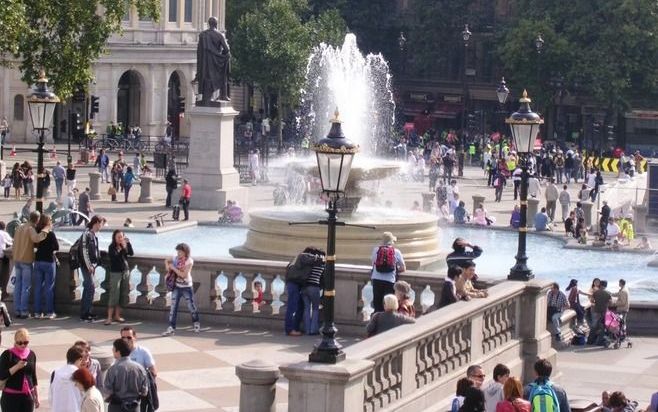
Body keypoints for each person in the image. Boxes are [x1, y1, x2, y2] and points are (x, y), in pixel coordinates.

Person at [12, 211, 47, 318]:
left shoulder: (20, 227)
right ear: (37, 220)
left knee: (17, 286)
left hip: (16, 260)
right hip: (26, 261)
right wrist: (46, 230)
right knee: (25, 287)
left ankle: (17, 310)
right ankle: (24, 311)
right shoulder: (30, 229)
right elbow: (36, 238)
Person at [162, 243, 201, 335]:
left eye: (180, 251)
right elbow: (168, 269)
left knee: (191, 306)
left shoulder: (189, 261)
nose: (178, 253)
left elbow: (183, 275)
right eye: (177, 251)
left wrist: (173, 268)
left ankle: (196, 323)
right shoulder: (175, 259)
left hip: (187, 287)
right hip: (176, 286)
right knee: (173, 307)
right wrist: (166, 263)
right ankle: (171, 327)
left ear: (185, 252)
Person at [284, 247, 324, 336]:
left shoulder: (297, 258)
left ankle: (295, 328)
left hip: (296, 284)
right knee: (292, 307)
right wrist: (321, 259)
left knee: (300, 307)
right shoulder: (303, 256)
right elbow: (313, 261)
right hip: (294, 283)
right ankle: (289, 329)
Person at [0, 328, 40, 411]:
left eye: (26, 343)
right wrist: (17, 367)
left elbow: (33, 377)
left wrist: (36, 396)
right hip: (10, 398)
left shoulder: (31, 354)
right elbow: (2, 376)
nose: (23, 345)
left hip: (27, 397)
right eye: (20, 342)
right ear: (15, 341)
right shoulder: (7, 354)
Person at [120, 327, 158, 412]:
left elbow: (154, 372)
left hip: (141, 393)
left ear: (135, 337)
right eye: (123, 338)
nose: (126, 340)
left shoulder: (143, 352)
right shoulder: (119, 352)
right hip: (125, 394)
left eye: (129, 337)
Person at [105, 338, 148, 412]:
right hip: (134, 407)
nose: (112, 350)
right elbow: (144, 392)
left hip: (116, 407)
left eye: (113, 348)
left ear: (118, 351)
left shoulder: (113, 369)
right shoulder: (140, 368)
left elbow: (108, 391)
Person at [195, 16, 231, 104]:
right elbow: (226, 49)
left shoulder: (202, 35)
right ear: (216, 24)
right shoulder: (219, 35)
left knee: (207, 78)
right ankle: (224, 94)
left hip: (205, 63)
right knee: (224, 73)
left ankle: (206, 97)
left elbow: (199, 51)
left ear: (208, 24)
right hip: (216, 63)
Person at [370, 232, 406, 313]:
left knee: (377, 304)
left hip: (376, 280)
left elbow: (373, 264)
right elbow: (403, 268)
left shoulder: (376, 250)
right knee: (389, 305)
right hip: (390, 281)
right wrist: (394, 270)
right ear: (392, 242)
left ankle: (377, 321)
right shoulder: (396, 252)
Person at [33, 214, 59, 319]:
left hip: (38, 261)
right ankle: (49, 312)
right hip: (48, 261)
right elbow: (57, 247)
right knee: (49, 287)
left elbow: (34, 244)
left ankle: (37, 312)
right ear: (48, 222)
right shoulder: (51, 233)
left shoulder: (37, 232)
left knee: (38, 288)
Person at [106, 230, 134, 325]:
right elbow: (115, 258)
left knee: (123, 294)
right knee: (114, 294)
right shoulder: (112, 247)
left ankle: (117, 315)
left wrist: (128, 244)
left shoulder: (124, 245)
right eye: (118, 237)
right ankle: (109, 317)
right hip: (115, 273)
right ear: (114, 238)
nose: (120, 239)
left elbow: (131, 253)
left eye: (121, 237)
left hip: (125, 271)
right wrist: (123, 249)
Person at [80, 215, 104, 321]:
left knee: (90, 288)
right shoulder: (87, 234)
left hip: (91, 265)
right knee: (89, 287)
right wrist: (89, 265)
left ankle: (88, 311)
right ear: (97, 223)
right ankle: (85, 313)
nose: (102, 226)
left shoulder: (92, 235)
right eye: (101, 224)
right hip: (87, 266)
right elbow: (84, 251)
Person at [49, 346, 85, 412]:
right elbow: (85, 397)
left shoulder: (55, 373)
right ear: (80, 359)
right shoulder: (80, 374)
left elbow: (51, 397)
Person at [301, 247, 325, 335]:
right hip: (314, 287)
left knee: (306, 308)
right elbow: (323, 278)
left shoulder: (309, 263)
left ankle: (307, 329)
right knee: (315, 309)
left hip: (304, 287)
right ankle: (313, 329)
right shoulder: (322, 265)